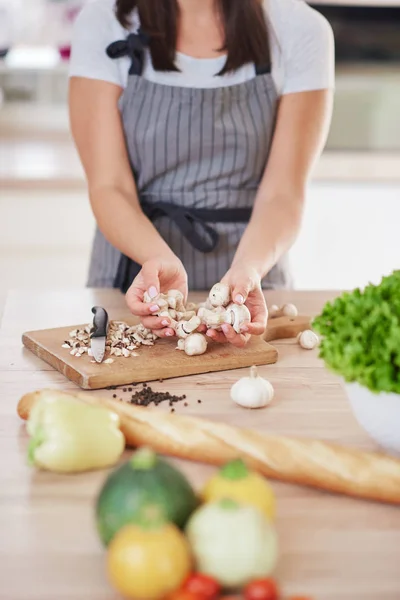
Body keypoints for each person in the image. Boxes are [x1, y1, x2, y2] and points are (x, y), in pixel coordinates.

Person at [69, 0, 334, 347]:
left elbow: (283, 193)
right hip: (135, 275)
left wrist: (248, 272)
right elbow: (109, 186)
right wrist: (156, 258)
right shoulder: (103, 21)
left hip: (253, 277)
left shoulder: (300, 29)